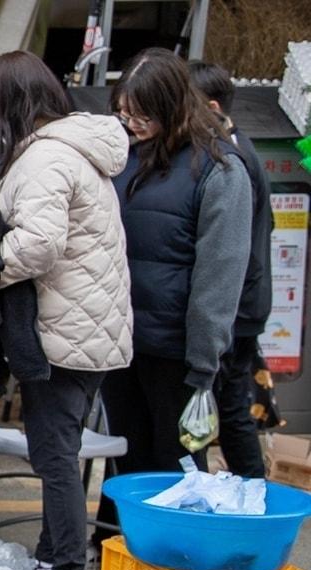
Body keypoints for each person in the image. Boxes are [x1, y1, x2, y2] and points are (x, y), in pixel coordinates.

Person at [0, 51, 133, 570]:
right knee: (59, 451)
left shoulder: (46, 158)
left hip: (66, 333)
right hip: (87, 328)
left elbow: (39, 245)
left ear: (8, 103)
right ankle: (51, 561)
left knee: (55, 458)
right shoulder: (71, 150)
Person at [93, 48, 253, 544]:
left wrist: (204, 364)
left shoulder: (219, 169)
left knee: (177, 464)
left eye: (143, 113)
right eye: (124, 112)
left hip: (178, 352)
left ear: (172, 106)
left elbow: (219, 276)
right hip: (120, 342)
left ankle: (176, 554)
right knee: (126, 457)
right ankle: (120, 549)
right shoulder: (123, 158)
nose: (132, 123)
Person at [189, 60, 274, 478]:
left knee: (228, 410)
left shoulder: (231, 159)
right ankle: (249, 490)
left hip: (237, 307)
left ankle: (251, 492)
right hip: (243, 303)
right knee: (230, 407)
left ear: (212, 107)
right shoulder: (235, 148)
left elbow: (241, 249)